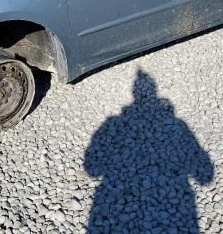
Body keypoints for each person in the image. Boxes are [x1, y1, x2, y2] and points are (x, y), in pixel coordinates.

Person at [84, 70, 214, 233]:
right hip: (180, 202)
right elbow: (205, 176)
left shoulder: (113, 122)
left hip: (109, 199)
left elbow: (91, 169)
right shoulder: (178, 124)